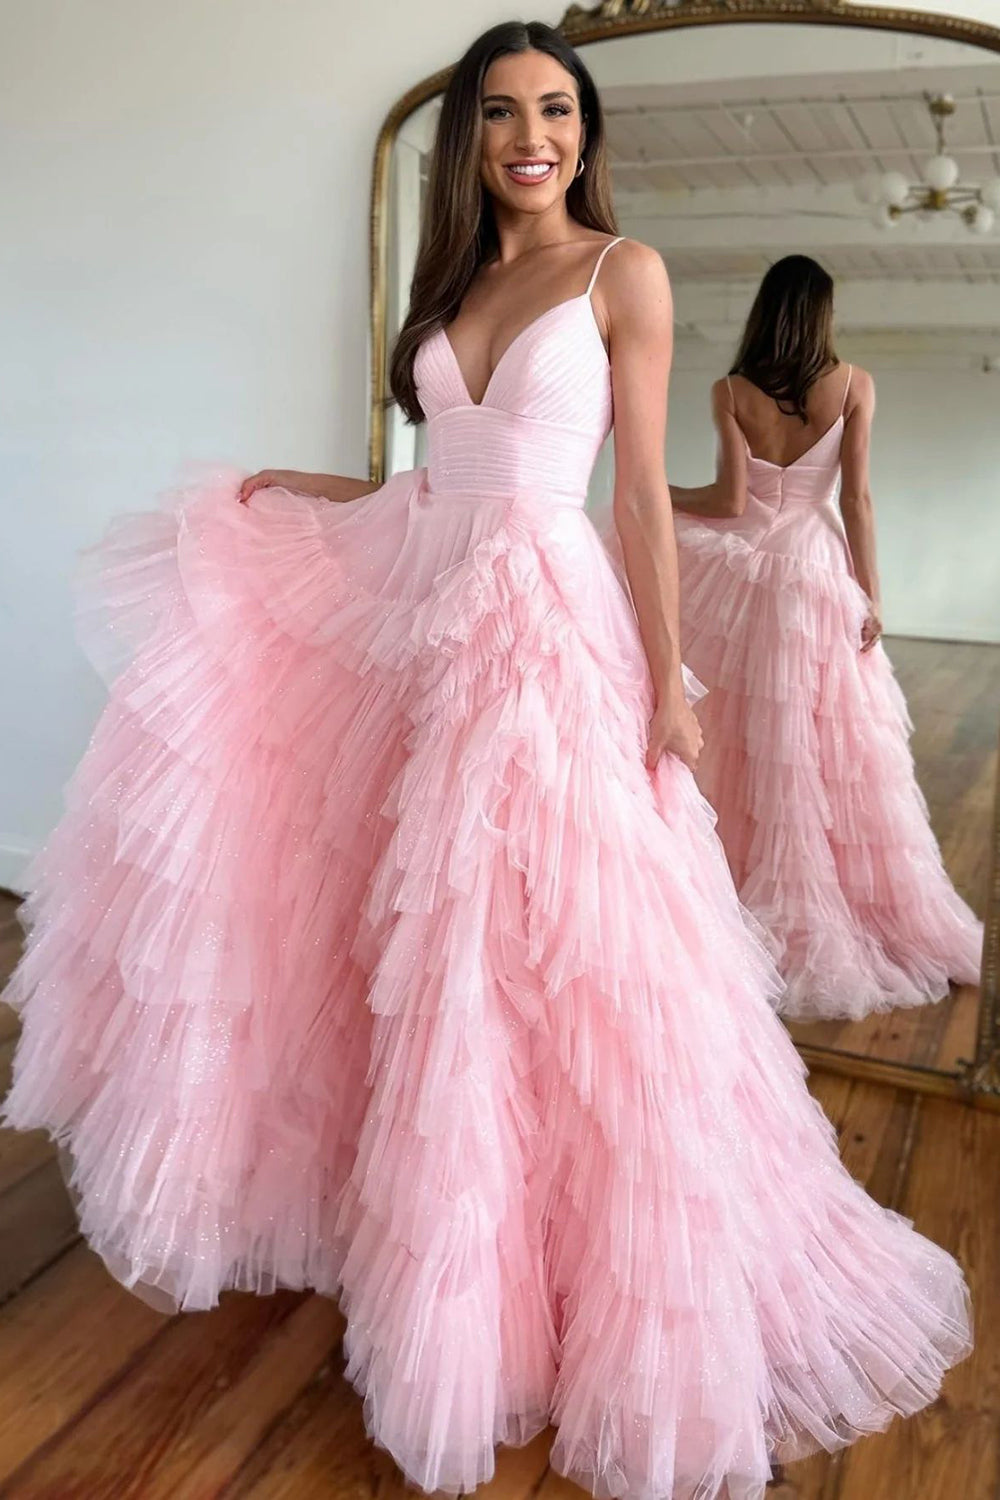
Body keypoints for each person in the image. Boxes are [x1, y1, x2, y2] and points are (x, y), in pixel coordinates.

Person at [3, 24, 971, 1500]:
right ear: (474, 134)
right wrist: (309, 492)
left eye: (560, 109)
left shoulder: (620, 272)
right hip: (431, 604)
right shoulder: (453, 282)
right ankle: (464, 1280)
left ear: (587, 129)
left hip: (546, 628)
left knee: (560, 949)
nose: (537, 134)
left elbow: (637, 494)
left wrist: (670, 689)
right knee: (424, 938)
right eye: (509, 111)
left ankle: (584, 1297)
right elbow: (433, 475)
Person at [670, 255, 983, 1021]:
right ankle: (826, 896)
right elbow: (860, 499)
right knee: (826, 738)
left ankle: (738, 891)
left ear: (764, 312)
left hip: (748, 570)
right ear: (822, 314)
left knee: (742, 732)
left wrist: (657, 491)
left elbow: (728, 498)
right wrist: (871, 595)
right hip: (814, 566)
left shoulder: (732, 391)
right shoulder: (853, 385)